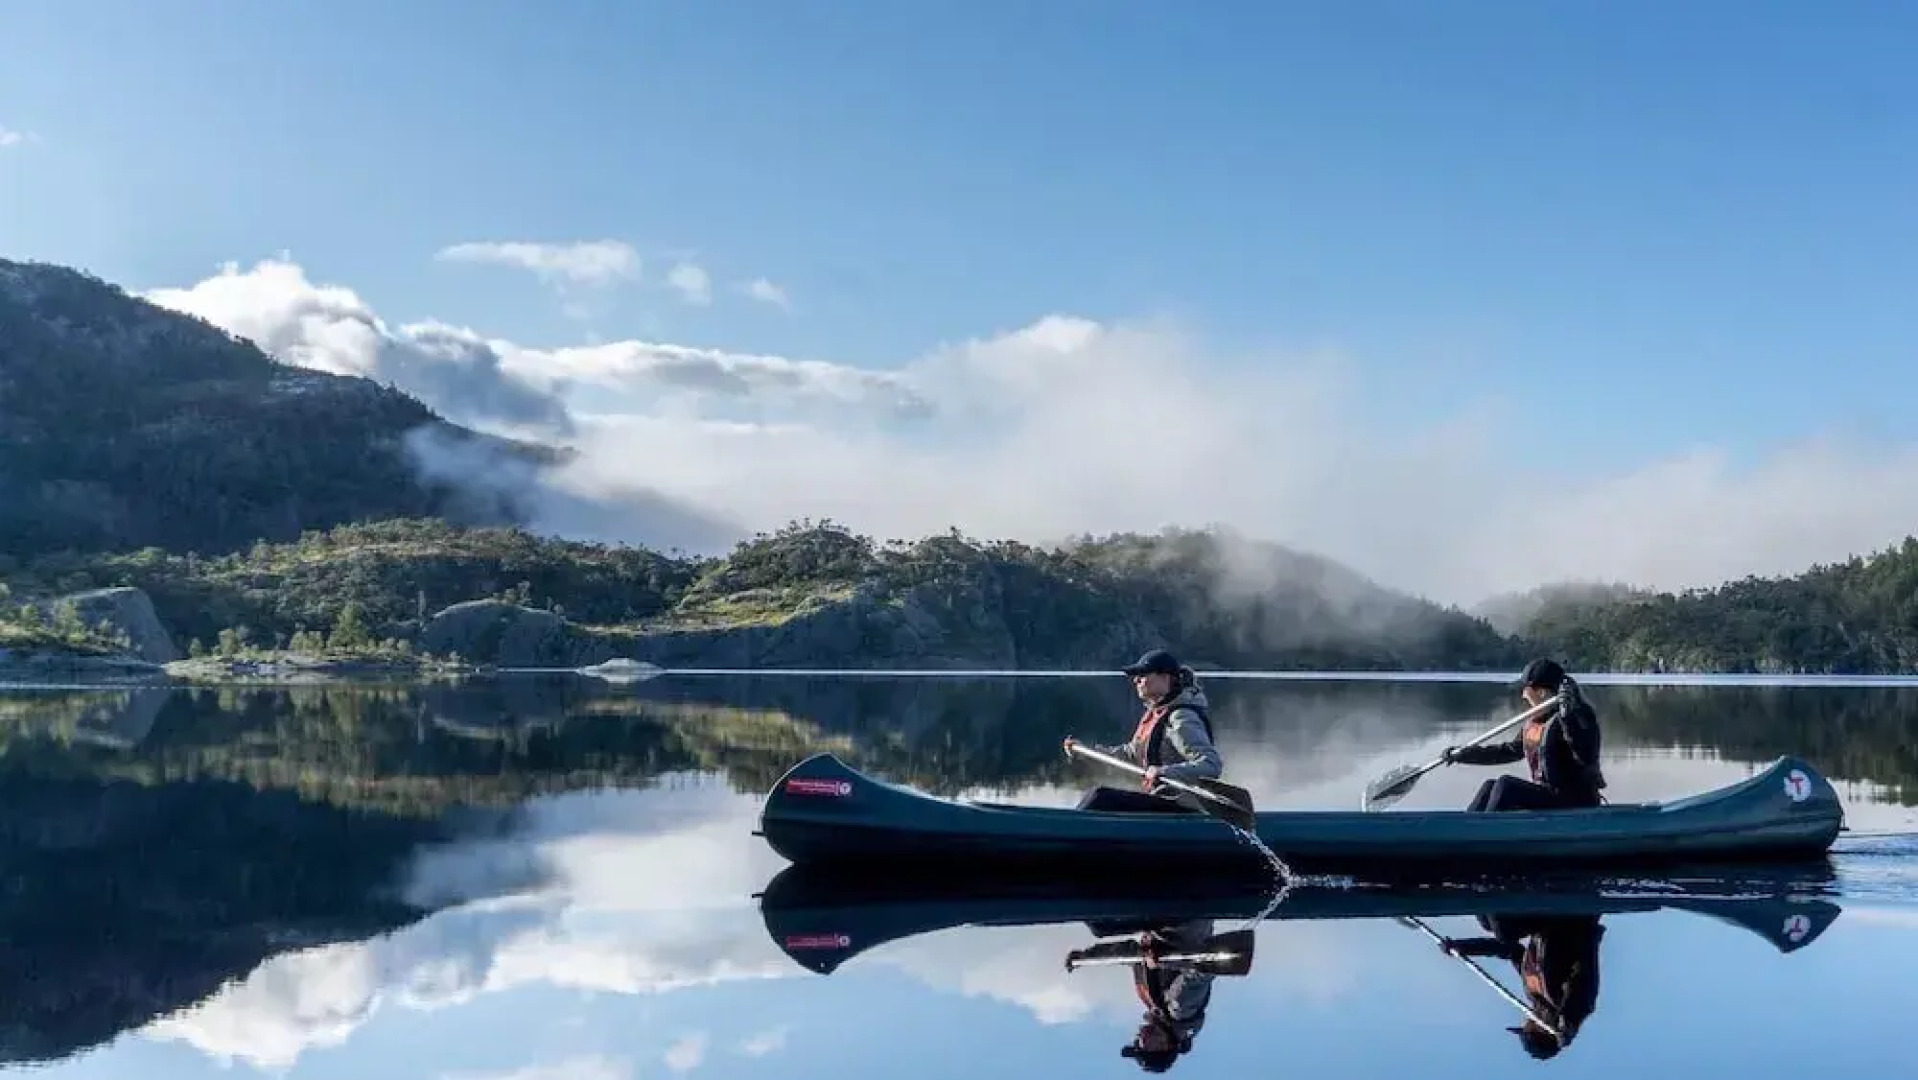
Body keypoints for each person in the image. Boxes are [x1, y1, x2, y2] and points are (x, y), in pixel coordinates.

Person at [1064, 648, 1225, 815]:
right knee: (1096, 795)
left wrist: (1164, 772)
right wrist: (1087, 752)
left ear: (1165, 678)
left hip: (1182, 805)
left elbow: (1210, 765)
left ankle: (1070, 831)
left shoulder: (1181, 718)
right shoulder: (1157, 714)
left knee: (1099, 797)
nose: (1136, 680)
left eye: (1143, 674)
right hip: (1162, 799)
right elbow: (1130, 754)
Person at [1442, 657, 1606, 812]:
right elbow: (1510, 751)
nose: (1522, 695)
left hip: (1575, 801)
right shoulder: (1537, 721)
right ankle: (1468, 827)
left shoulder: (1580, 716)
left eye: (1525, 690)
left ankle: (1483, 832)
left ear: (1541, 692)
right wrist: (1464, 754)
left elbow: (1586, 755)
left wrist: (1568, 718)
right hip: (1549, 795)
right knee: (1490, 786)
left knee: (1506, 786)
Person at [1437, 911, 1604, 1060]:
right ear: (1540, 1030)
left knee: (1488, 922)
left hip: (1546, 921)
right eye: (1527, 1028)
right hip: (1570, 919)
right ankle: (1493, 888)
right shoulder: (1564, 1005)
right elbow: (1583, 984)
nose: (1525, 1021)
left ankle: (1482, 887)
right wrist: (1569, 1024)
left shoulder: (1534, 994)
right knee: (1504, 930)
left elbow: (1512, 950)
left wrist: (1463, 947)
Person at [1065, 918, 1219, 1072]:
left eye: (1137, 1043)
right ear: (1165, 1045)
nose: (1139, 1039)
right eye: (1145, 1046)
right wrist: (1160, 961)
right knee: (1099, 927)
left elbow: (1130, 953)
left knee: (1099, 926)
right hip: (1183, 922)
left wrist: (1087, 956)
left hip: (1158, 923)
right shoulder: (1180, 1008)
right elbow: (1203, 968)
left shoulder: (1155, 1002)